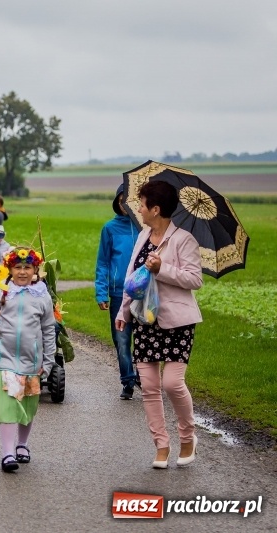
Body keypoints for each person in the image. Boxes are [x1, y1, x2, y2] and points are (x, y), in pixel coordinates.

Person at [115, 180, 202, 469]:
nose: (138, 209)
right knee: (150, 386)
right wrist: (123, 311)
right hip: (145, 320)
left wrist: (162, 268)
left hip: (177, 322)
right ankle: (161, 445)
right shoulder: (142, 236)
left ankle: (187, 437)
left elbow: (194, 280)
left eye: (142, 204)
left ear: (156, 208)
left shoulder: (184, 240)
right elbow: (132, 277)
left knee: (172, 383)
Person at [0, 247, 56, 473]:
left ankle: (22, 444)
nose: (22, 272)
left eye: (27, 267)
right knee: (8, 405)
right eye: (17, 267)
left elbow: (49, 329)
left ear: (35, 270)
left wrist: (48, 361)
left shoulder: (42, 295)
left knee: (27, 405)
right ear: (10, 269)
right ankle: (7, 453)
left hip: (33, 361)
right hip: (7, 360)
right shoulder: (1, 291)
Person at [95, 185, 140, 400]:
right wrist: (101, 292)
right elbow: (103, 262)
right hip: (117, 294)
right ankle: (128, 381)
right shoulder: (109, 228)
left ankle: (143, 375)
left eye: (129, 200)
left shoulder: (145, 228)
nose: (125, 205)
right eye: (121, 200)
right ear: (117, 202)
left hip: (143, 293)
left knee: (143, 338)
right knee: (121, 339)